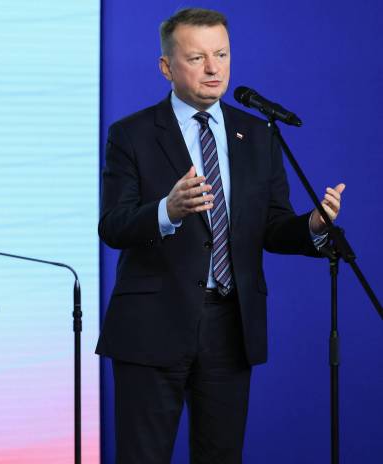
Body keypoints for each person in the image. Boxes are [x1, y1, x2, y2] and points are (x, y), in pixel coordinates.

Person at [95, 8, 345, 464]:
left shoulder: (258, 133)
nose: (213, 69)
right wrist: (166, 211)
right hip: (153, 325)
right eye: (197, 58)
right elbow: (112, 226)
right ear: (166, 67)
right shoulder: (130, 135)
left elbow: (272, 226)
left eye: (222, 54)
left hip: (229, 327)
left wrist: (311, 225)